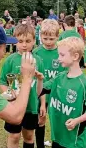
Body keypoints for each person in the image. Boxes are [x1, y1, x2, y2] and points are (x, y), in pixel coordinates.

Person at [41, 37, 86, 148]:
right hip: (58, 135)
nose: (58, 58)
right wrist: (39, 79)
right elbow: (42, 90)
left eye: (62, 55)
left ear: (75, 56)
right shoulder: (59, 77)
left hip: (74, 140)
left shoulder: (84, 84)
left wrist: (77, 120)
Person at [0, 24, 44, 148]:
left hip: (31, 106)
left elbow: (42, 86)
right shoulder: (10, 60)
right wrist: (10, 95)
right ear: (15, 42)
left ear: (34, 41)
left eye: (28, 41)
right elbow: (2, 82)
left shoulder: (38, 60)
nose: (24, 45)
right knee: (14, 136)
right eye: (20, 41)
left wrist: (43, 104)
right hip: (14, 106)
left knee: (29, 136)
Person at [33, 19, 66, 148]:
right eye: (45, 38)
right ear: (40, 36)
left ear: (58, 36)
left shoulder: (62, 52)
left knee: (57, 122)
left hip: (57, 95)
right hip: (40, 94)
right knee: (40, 121)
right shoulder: (36, 53)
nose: (48, 42)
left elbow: (66, 73)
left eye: (51, 39)